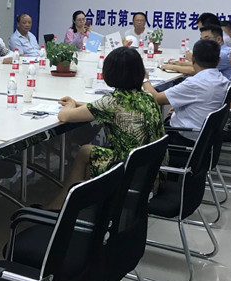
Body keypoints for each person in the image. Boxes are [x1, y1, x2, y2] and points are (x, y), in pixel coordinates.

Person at [47, 47, 165, 209]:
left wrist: (70, 105)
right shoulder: (148, 97)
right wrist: (78, 104)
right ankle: (83, 206)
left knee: (85, 152)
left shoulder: (112, 102)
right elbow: (100, 109)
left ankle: (62, 206)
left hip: (127, 173)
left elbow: (64, 116)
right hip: (152, 173)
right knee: (88, 152)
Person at [144, 39, 231, 144]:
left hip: (184, 136)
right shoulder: (223, 80)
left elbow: (157, 99)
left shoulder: (195, 83)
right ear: (218, 61)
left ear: (193, 59)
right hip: (205, 136)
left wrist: (144, 79)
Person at [162, 23, 231, 80]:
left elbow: (197, 70)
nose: (203, 42)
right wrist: (179, 63)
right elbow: (200, 64)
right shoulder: (218, 50)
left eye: (207, 38)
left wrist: (173, 67)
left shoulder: (222, 54)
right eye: (201, 39)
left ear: (219, 39)